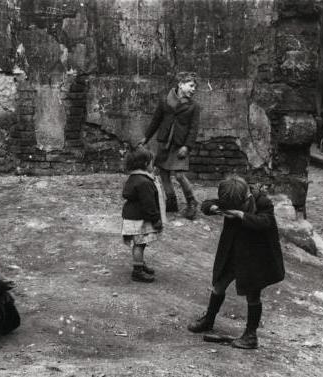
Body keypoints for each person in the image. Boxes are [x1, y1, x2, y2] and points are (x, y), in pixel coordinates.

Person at [187, 176, 285, 349]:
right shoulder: (231, 196)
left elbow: (265, 222)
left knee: (253, 294)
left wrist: (241, 215)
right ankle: (208, 319)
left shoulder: (262, 202)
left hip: (255, 257)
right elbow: (206, 204)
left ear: (245, 195)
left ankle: (250, 335)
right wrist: (214, 208)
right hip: (232, 252)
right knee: (219, 285)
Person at [138, 71, 200, 220]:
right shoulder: (165, 101)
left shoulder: (194, 106)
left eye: (195, 87)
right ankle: (171, 201)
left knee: (179, 175)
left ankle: (192, 202)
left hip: (180, 145)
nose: (193, 89)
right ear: (180, 84)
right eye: (191, 86)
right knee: (164, 173)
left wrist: (187, 146)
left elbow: (194, 129)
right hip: (165, 142)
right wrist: (146, 138)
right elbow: (156, 120)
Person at [121, 148, 167, 283]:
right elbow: (148, 204)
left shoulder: (133, 178)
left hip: (132, 217)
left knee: (139, 243)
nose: (153, 166)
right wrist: (155, 219)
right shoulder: (145, 182)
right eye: (152, 163)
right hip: (139, 218)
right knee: (139, 244)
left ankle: (139, 263)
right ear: (146, 163)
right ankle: (137, 271)